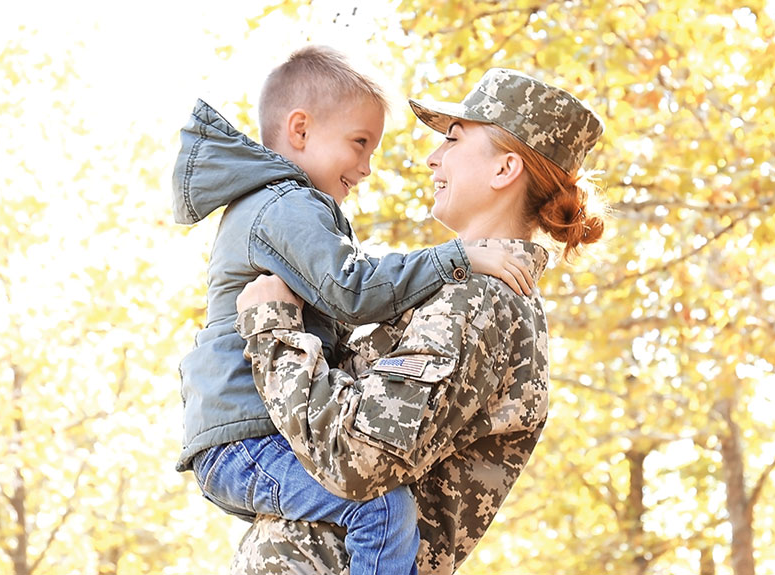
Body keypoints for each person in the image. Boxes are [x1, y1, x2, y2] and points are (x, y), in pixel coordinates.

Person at [170, 47, 533, 575]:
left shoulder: (285, 204)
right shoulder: (284, 205)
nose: (366, 168)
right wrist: (457, 257)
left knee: (379, 506)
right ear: (300, 130)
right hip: (245, 439)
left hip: (245, 439)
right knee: (380, 506)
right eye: (359, 144)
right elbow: (354, 288)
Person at [228, 67, 606, 575]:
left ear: (504, 169)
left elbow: (355, 459)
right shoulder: (457, 287)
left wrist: (271, 328)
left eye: (452, 140)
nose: (433, 158)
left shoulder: (479, 300)